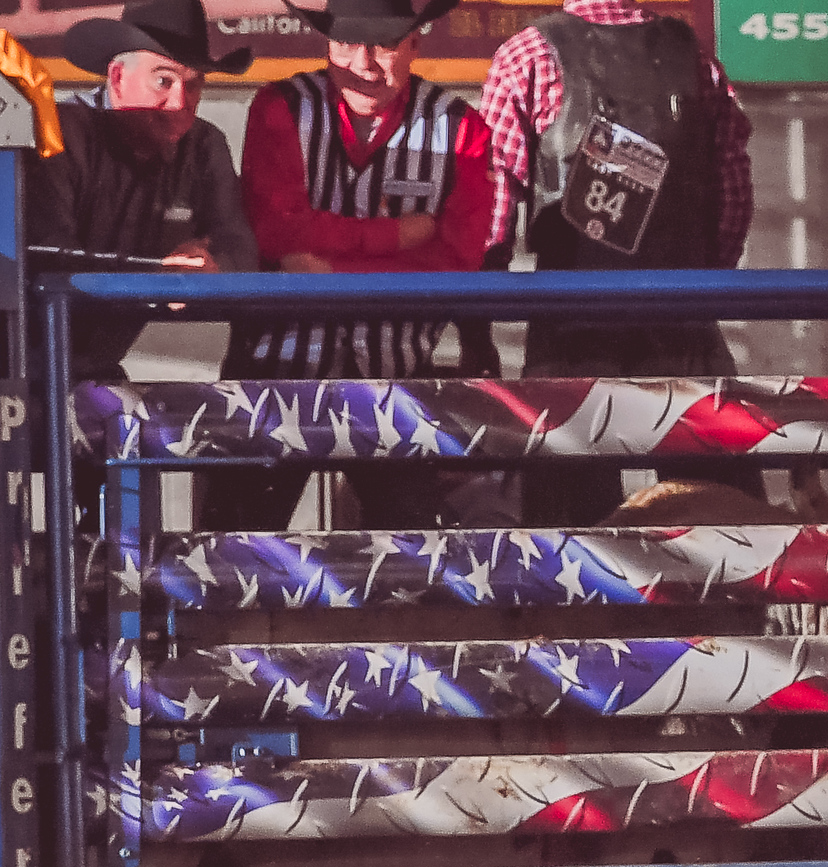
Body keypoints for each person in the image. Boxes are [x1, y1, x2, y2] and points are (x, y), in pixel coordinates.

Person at [200, 0, 493, 530]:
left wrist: (330, 268)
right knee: (231, 548)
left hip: (398, 375)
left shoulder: (461, 126)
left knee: (415, 556)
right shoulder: (279, 106)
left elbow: (459, 256)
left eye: (382, 45)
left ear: (414, 46)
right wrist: (400, 235)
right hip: (273, 370)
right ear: (325, 45)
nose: (363, 64)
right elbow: (275, 229)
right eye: (346, 44)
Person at [479, 0, 756, 524]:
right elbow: (732, 186)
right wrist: (704, 277)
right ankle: (726, 604)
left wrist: (480, 313)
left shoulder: (527, 53)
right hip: (682, 312)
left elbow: (494, 197)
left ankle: (583, 607)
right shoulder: (692, 56)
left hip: (569, 316)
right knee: (720, 513)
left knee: (570, 521)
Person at [30, 0, 257, 383]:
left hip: (96, 373)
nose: (180, 102)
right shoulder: (57, 136)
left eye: (195, 83)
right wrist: (157, 275)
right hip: (18, 371)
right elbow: (51, 263)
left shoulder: (204, 146)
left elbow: (241, 247)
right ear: (117, 78)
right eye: (163, 80)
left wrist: (212, 265)